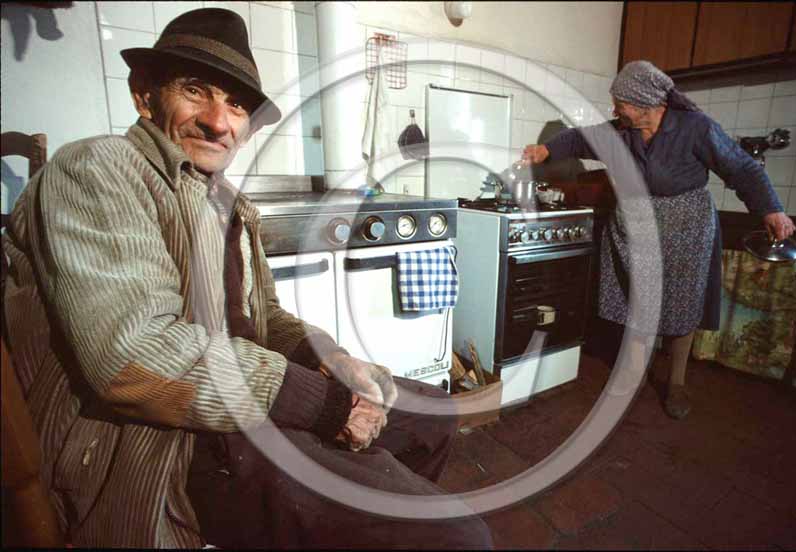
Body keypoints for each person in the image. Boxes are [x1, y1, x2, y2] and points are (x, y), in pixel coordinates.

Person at [2, 8, 492, 549]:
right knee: (458, 539)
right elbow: (133, 356)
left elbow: (266, 321)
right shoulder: (98, 170)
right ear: (146, 95)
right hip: (160, 445)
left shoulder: (229, 204)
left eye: (235, 104)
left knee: (434, 416)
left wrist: (333, 361)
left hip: (239, 409)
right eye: (196, 91)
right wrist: (330, 406)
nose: (219, 120)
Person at [522, 60, 796, 420]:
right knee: (636, 301)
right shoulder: (623, 130)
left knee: (682, 305)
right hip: (634, 231)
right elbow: (580, 137)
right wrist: (547, 150)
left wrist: (771, 209)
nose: (615, 110)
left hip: (686, 230)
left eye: (620, 103)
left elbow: (742, 167)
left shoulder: (696, 128)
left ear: (644, 102)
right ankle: (633, 374)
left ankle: (676, 382)